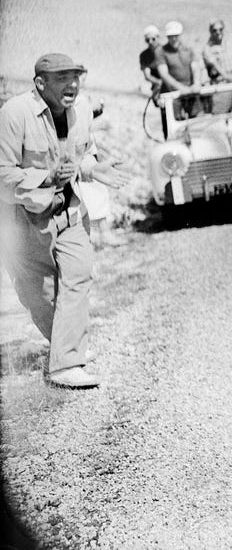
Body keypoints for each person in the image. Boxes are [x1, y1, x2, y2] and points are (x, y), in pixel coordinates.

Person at [0, 54, 130, 388]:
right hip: (22, 219)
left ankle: (66, 365)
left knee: (79, 274)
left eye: (75, 77)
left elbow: (82, 154)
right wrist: (45, 177)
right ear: (40, 84)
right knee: (39, 296)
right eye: (62, 79)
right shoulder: (14, 114)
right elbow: (3, 174)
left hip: (69, 209)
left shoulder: (83, 109)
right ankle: (64, 351)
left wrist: (93, 169)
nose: (71, 85)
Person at [155, 20, 206, 119]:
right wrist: (180, 88)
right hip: (172, 95)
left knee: (196, 122)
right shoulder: (161, 52)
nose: (174, 39)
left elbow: (195, 66)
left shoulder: (188, 49)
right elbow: (164, 74)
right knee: (173, 125)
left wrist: (196, 83)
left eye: (176, 36)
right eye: (171, 36)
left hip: (191, 92)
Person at [139, 25, 163, 99]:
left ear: (158, 37)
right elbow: (148, 76)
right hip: (158, 87)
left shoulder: (166, 51)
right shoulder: (144, 55)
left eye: (153, 39)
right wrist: (160, 83)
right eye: (147, 40)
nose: (150, 42)